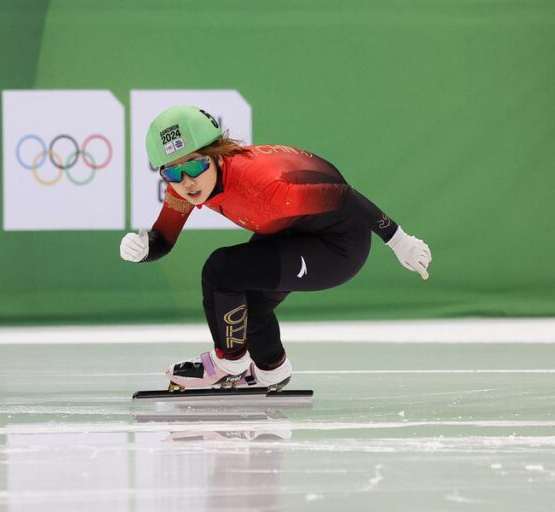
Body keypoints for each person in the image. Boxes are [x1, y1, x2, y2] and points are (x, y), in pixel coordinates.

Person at [120, 106, 432, 391]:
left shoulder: (267, 185)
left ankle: (229, 363)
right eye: (173, 173)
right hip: (293, 229)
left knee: (221, 270)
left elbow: (346, 198)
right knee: (248, 306)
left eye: (195, 166)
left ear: (216, 155)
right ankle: (271, 369)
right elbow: (164, 237)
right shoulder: (187, 188)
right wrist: (145, 246)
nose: (187, 181)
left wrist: (398, 239)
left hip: (337, 246)